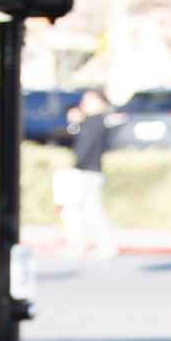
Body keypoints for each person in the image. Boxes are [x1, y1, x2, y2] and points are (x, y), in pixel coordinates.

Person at [58, 89, 115, 259]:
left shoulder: (97, 122)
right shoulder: (88, 122)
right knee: (78, 209)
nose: (84, 104)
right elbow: (68, 139)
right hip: (85, 170)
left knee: (89, 208)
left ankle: (102, 243)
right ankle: (81, 243)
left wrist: (76, 165)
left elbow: (84, 147)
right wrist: (74, 124)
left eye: (88, 100)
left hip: (88, 170)